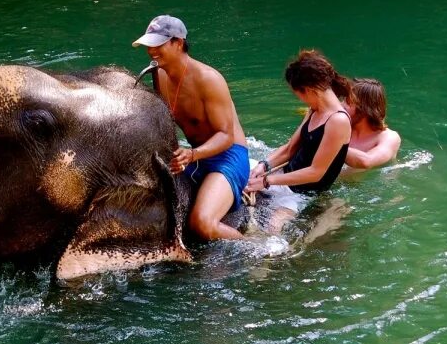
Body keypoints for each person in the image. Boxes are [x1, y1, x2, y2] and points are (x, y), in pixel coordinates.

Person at [133, 15, 250, 240]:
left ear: (178, 43)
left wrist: (193, 154)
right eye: (149, 45)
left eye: (158, 44)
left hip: (228, 156)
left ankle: (255, 246)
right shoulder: (158, 73)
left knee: (202, 223)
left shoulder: (209, 79)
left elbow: (226, 136)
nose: (151, 51)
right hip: (194, 155)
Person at [244, 50, 352, 228]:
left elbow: (316, 172)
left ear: (310, 90)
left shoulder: (338, 121)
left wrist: (266, 181)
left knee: (272, 229)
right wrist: (264, 165)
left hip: (300, 193)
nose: (300, 100)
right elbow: (289, 149)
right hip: (281, 177)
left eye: (298, 94)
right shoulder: (314, 109)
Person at [343, 78, 401, 169]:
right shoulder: (341, 129)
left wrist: (329, 145)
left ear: (365, 110)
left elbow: (367, 161)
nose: (341, 106)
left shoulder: (389, 137)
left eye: (348, 102)